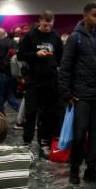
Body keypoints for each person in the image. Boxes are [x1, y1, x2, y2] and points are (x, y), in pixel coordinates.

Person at [59, 2, 96, 185]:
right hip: (81, 96)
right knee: (78, 135)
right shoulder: (75, 38)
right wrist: (67, 94)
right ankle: (74, 169)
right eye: (94, 15)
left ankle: (91, 170)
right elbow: (65, 68)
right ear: (85, 16)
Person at [17, 10, 63, 158]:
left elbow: (61, 57)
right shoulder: (30, 36)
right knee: (30, 113)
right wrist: (36, 54)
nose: (47, 27)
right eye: (45, 24)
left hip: (51, 80)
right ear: (40, 21)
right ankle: (27, 143)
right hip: (34, 80)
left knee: (48, 114)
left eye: (50, 24)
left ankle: (44, 143)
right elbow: (20, 55)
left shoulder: (55, 36)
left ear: (53, 22)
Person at [0, 28, 20, 114]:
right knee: (9, 95)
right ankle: (22, 113)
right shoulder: (13, 42)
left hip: (1, 73)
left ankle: (1, 115)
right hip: (12, 73)